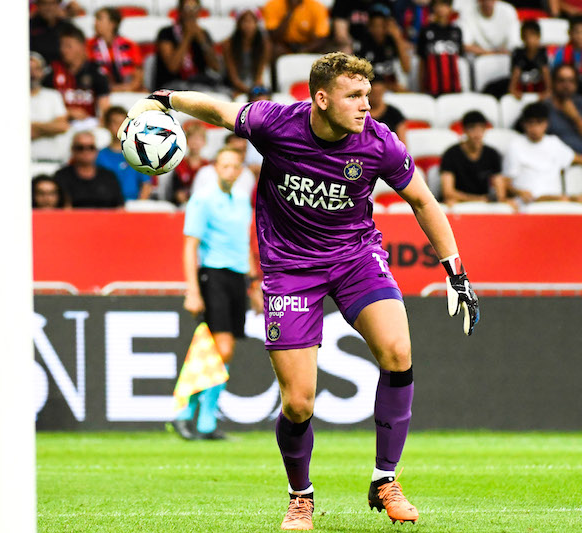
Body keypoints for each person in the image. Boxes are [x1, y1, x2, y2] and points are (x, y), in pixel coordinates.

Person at [119, 52, 480, 529]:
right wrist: (164, 98)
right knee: (299, 402)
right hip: (290, 269)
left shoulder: (379, 143)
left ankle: (385, 480)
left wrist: (456, 271)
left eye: (367, 96)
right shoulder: (275, 124)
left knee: (397, 350)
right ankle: (300, 495)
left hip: (355, 258)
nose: (365, 107)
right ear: (321, 98)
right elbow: (219, 110)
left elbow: (422, 199)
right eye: (354, 97)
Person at [171, 146, 263, 441]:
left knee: (219, 350)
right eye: (224, 165)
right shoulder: (203, 199)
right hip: (213, 276)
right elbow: (189, 247)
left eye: (234, 166)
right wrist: (193, 290)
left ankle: (200, 420)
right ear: (215, 168)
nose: (229, 171)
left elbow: (245, 245)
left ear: (240, 171)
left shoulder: (241, 201)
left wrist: (253, 285)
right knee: (220, 348)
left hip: (236, 277)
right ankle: (190, 414)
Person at [505, 102, 582, 203]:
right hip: (528, 203)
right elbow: (506, 183)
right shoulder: (515, 146)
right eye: (530, 123)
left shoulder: (554, 143)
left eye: (539, 122)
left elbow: (578, 159)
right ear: (523, 124)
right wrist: (519, 192)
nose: (535, 128)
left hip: (555, 202)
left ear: (546, 123)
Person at [46, 26, 111, 129]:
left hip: (90, 126)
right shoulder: (53, 72)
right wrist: (68, 113)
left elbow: (105, 108)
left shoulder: (96, 72)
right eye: (61, 46)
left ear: (81, 46)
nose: (63, 50)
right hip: (60, 126)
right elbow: (45, 106)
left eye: (68, 46)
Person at [439, 111, 507, 205]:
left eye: (481, 128)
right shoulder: (451, 154)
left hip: (484, 206)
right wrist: (478, 199)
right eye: (472, 128)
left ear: (485, 130)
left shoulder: (492, 154)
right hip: (459, 204)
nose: (477, 133)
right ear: (464, 130)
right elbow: (448, 193)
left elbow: (501, 193)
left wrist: (499, 199)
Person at [154, 0, 221, 90]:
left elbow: (215, 67)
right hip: (172, 85)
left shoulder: (203, 34)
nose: (191, 12)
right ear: (180, 10)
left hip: (199, 82)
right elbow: (172, 67)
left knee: (224, 92)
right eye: (187, 8)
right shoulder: (166, 33)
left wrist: (202, 41)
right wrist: (187, 37)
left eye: (195, 8)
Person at [55, 131, 124, 208]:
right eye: (80, 148)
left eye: (91, 147)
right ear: (73, 150)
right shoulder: (62, 176)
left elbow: (120, 207)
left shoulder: (109, 176)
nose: (86, 151)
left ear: (96, 151)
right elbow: (64, 209)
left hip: (107, 219)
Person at [97, 106, 152, 201]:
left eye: (123, 123)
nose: (119, 126)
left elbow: (146, 185)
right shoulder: (99, 156)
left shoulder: (138, 154)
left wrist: (139, 206)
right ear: (107, 125)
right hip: (108, 206)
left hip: (133, 206)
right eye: (115, 122)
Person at [86, 7, 144, 93]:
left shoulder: (130, 45)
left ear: (112, 23)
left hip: (129, 89)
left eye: (99, 19)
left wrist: (128, 88)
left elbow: (138, 74)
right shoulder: (88, 45)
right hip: (100, 91)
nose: (95, 23)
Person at [354, 7, 410, 92]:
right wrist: (386, 86)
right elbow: (359, 77)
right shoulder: (363, 45)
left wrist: (397, 37)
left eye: (382, 26)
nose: (378, 29)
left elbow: (407, 68)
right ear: (369, 27)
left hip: (393, 88)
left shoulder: (392, 42)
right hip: (372, 90)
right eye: (375, 26)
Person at [29, 52, 70, 162]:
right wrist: (49, 128)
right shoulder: (11, 98)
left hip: (52, 162)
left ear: (43, 72)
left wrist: (32, 126)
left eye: (36, 69)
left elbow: (62, 126)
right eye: (28, 69)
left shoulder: (53, 95)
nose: (32, 74)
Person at [417, 0, 463, 96]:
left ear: (450, 8)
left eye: (444, 5)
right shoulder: (425, 30)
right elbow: (421, 61)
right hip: (432, 86)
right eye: (438, 5)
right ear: (433, 8)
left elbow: (459, 60)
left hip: (453, 86)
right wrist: (421, 89)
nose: (441, 8)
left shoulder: (457, 31)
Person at [223, 9, 272, 97]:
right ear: (238, 24)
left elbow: (260, 75)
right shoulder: (229, 44)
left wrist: (255, 90)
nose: (248, 25)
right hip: (234, 86)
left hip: (255, 85)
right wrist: (249, 91)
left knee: (262, 98)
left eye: (251, 21)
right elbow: (233, 78)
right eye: (245, 21)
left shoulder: (264, 44)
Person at [191, 133, 256, 198]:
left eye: (243, 149)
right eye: (236, 150)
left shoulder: (248, 175)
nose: (240, 155)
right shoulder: (205, 173)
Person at [262, 0, 329, 59]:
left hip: (307, 45)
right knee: (274, 49)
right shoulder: (273, 4)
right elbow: (273, 37)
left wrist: (304, 50)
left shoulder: (316, 6)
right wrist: (290, 11)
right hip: (284, 45)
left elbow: (321, 38)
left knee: (327, 52)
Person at [509, 19, 550, 99]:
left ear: (538, 37)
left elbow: (545, 71)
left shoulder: (542, 52)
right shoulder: (518, 53)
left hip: (538, 87)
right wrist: (513, 89)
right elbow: (516, 72)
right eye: (526, 36)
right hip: (522, 86)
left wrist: (548, 90)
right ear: (522, 38)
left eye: (532, 36)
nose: (529, 40)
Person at [546, 64, 582, 153]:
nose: (566, 85)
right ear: (553, 82)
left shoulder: (580, 102)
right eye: (561, 80)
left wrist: (576, 118)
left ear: (576, 84)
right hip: (556, 160)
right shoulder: (544, 107)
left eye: (571, 81)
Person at [30, 0, 78, 66]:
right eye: (44, 4)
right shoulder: (29, 26)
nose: (49, 8)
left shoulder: (68, 27)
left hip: (62, 71)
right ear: (38, 5)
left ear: (58, 5)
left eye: (52, 4)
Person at [171, 121, 208, 205]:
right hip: (182, 206)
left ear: (204, 142)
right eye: (192, 138)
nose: (195, 142)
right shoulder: (179, 165)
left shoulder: (208, 166)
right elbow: (176, 192)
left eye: (198, 139)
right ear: (186, 141)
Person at [368, 78, 406, 147]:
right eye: (372, 93)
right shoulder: (360, 113)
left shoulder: (395, 114)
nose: (375, 97)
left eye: (378, 93)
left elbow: (402, 144)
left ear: (383, 90)